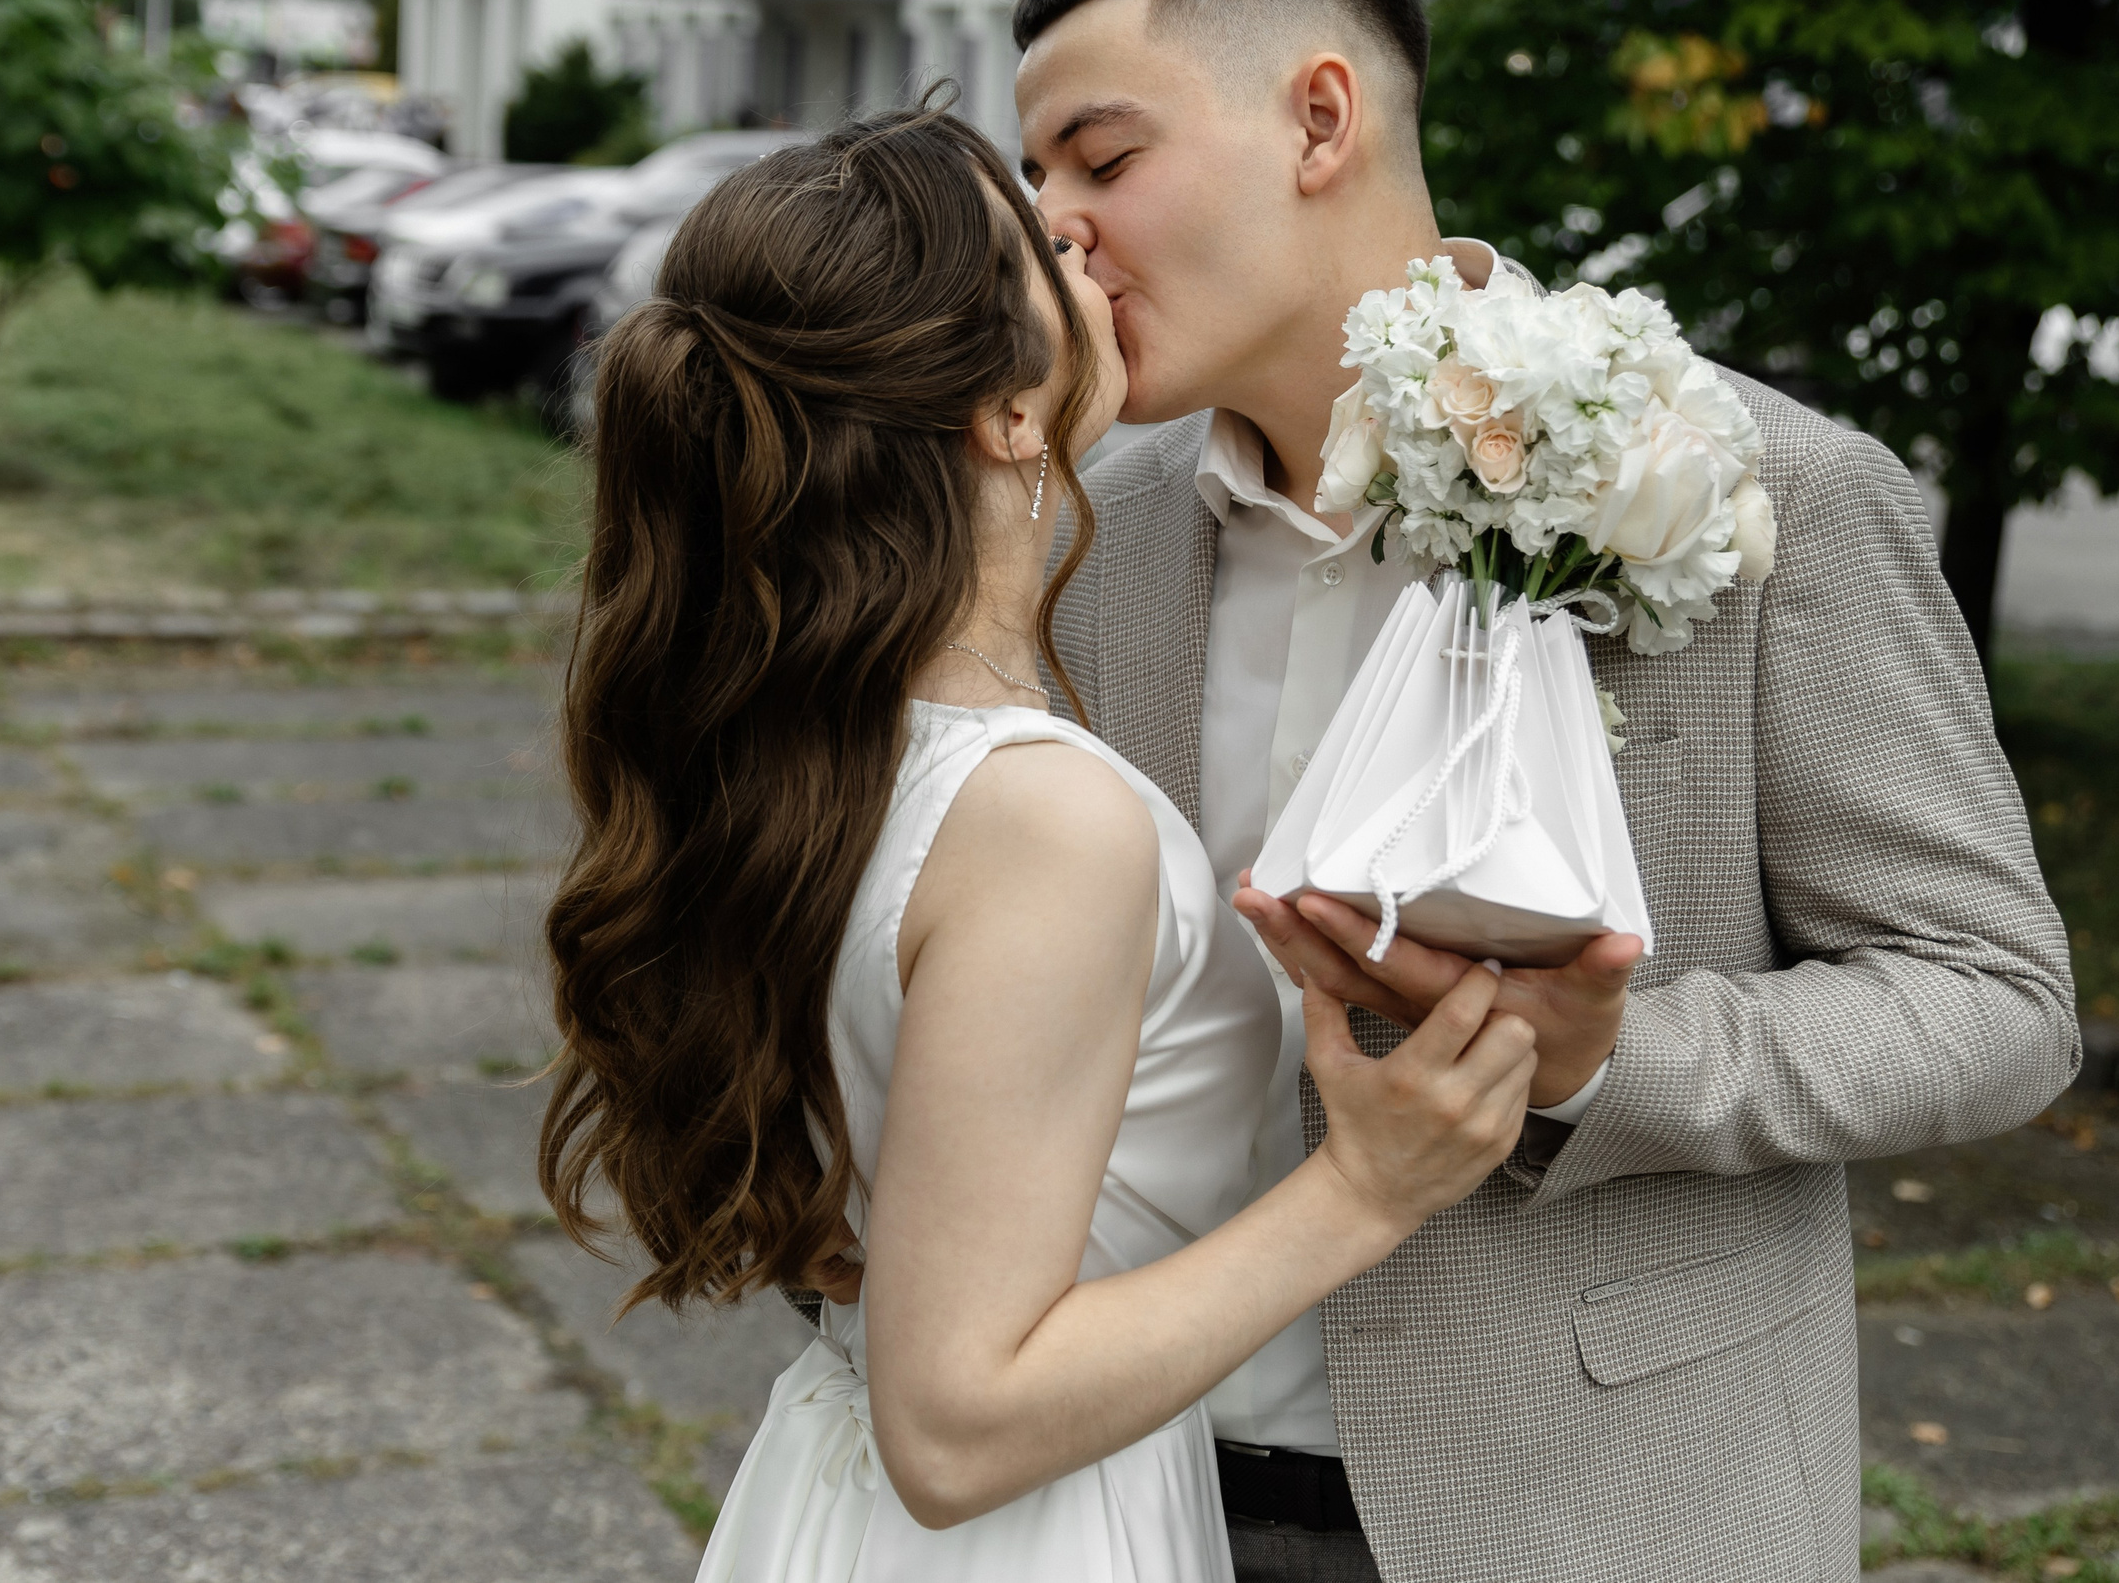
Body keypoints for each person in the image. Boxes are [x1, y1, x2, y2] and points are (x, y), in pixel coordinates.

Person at [1011, 0, 2079, 1582]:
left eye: (1097, 157)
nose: (1055, 230)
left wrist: (1601, 1066)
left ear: (1318, 118)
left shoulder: (1755, 491)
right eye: (1036, 184)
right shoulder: (1081, 532)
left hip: (1599, 1505)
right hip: (1121, 1493)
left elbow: (1995, 1000)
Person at [537, 106, 1541, 1581]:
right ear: (1008, 416)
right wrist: (1366, 1190)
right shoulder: (1037, 816)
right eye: (1040, 240)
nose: (1083, 238)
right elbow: (956, 1428)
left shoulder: (808, 749)